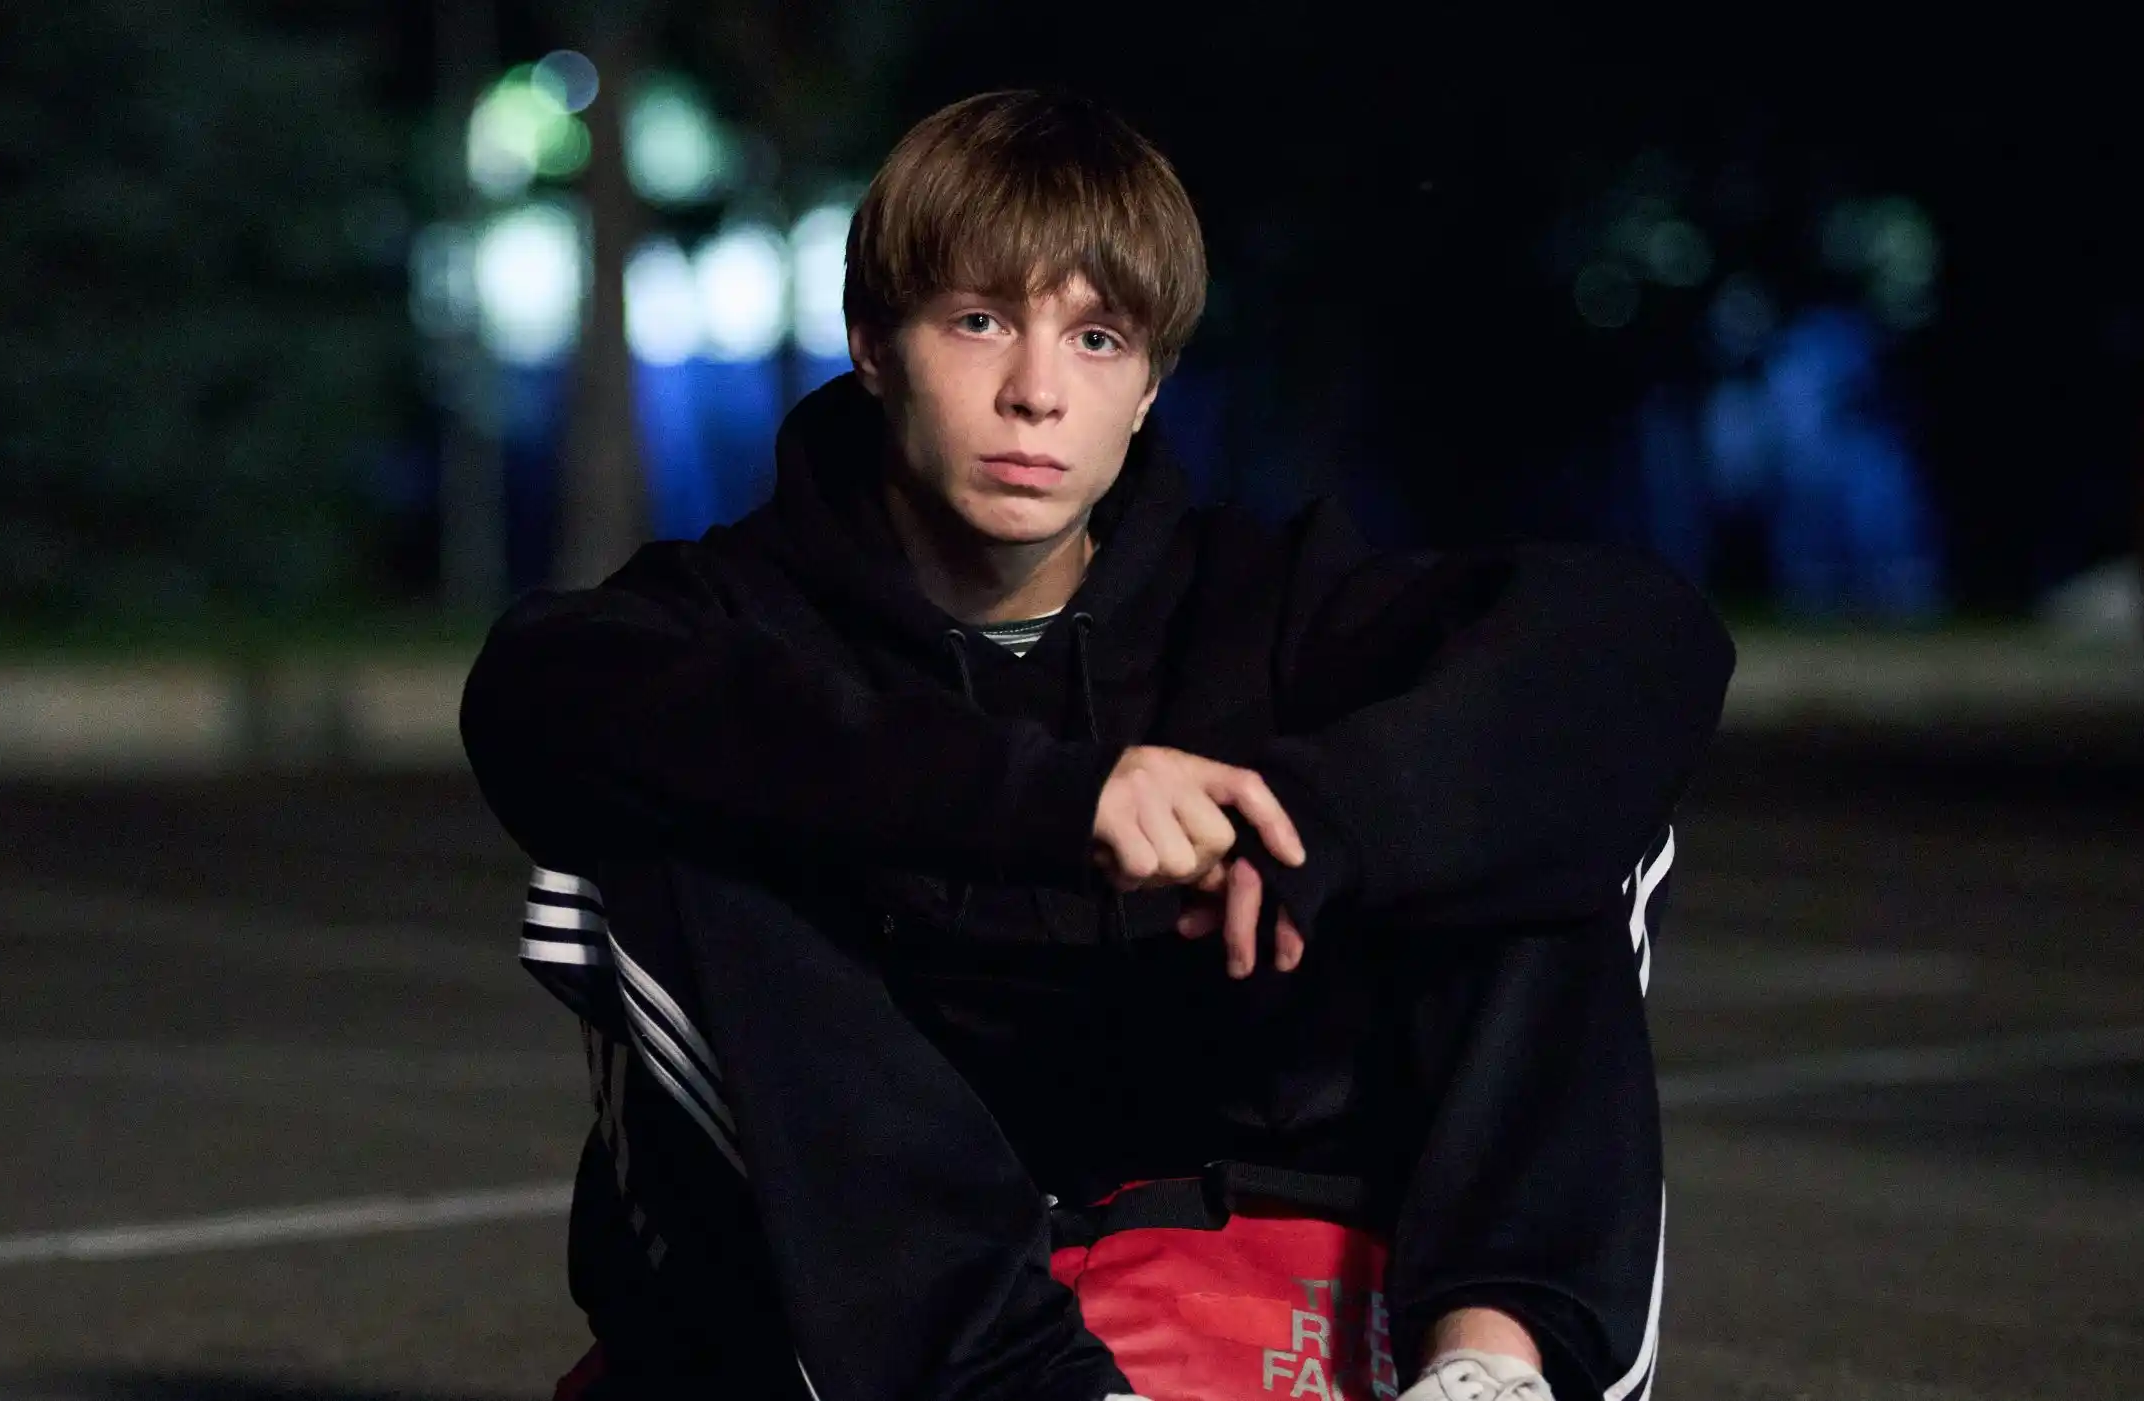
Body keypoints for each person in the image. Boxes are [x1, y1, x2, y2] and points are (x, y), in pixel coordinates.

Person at [463, 90, 1731, 1401]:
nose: (1036, 394)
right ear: (874, 346)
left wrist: (1332, 817)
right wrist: (1054, 801)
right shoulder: (736, 612)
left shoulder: (1258, 600)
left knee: (1542, 796)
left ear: (1147, 388)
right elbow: (535, 694)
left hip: (1233, 1182)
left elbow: (1642, 639)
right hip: (891, 1259)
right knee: (658, 830)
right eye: (979, 321)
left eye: (1097, 338)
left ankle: (1493, 1366)